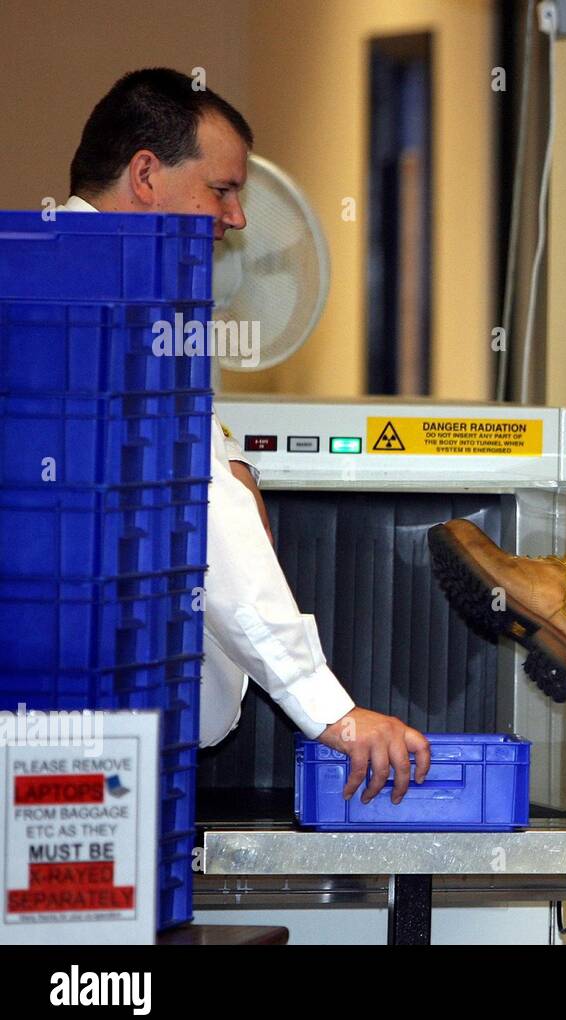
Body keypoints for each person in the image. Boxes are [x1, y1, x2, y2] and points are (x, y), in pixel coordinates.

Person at [63, 68, 430, 803]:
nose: (236, 219)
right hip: (89, 748)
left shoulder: (51, 273)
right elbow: (216, 533)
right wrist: (334, 712)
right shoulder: (126, 309)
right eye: (223, 189)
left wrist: (228, 462)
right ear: (145, 174)